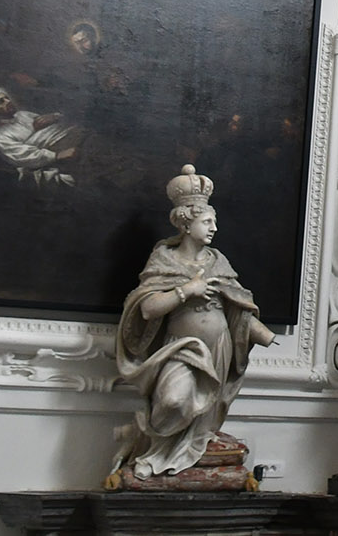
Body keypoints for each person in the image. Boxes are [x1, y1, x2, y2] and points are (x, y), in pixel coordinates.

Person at [112, 165, 277, 482]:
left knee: (204, 416)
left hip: (219, 347)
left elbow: (237, 306)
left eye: (214, 221)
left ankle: (185, 453)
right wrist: (186, 290)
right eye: (207, 221)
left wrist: (263, 334)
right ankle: (148, 442)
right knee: (173, 399)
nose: (215, 227)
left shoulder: (218, 260)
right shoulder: (165, 259)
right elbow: (147, 308)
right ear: (187, 224)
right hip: (183, 347)